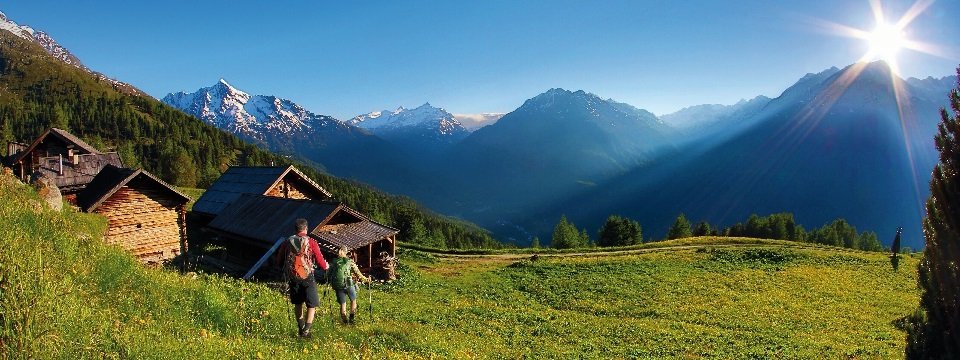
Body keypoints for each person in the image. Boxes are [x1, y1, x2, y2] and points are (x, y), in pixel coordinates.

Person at [275, 218, 328, 338]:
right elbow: (321, 262)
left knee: (298, 303)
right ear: (306, 228)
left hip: (293, 277)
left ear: (295, 229)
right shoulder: (311, 242)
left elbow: (279, 261)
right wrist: (326, 267)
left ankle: (300, 327)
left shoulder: (287, 242)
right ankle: (306, 330)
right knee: (311, 304)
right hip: (308, 276)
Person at [328, 247, 370, 324]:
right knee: (353, 300)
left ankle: (345, 322)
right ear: (345, 252)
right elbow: (358, 273)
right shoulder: (350, 261)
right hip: (348, 284)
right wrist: (366, 279)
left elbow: (328, 274)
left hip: (338, 285)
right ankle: (351, 318)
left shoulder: (334, 262)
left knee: (343, 304)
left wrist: (328, 282)